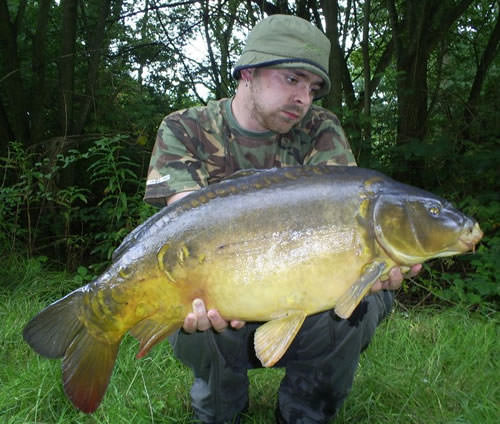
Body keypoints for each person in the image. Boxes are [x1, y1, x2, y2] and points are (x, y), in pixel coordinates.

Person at [144, 14, 420, 424]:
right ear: (248, 73)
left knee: (363, 297)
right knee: (192, 306)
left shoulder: (321, 129)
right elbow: (189, 227)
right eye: (292, 79)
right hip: (224, 284)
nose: (303, 99)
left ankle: (307, 412)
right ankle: (219, 407)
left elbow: (349, 225)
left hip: (302, 290)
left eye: (312, 89)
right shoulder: (185, 128)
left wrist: (378, 262)